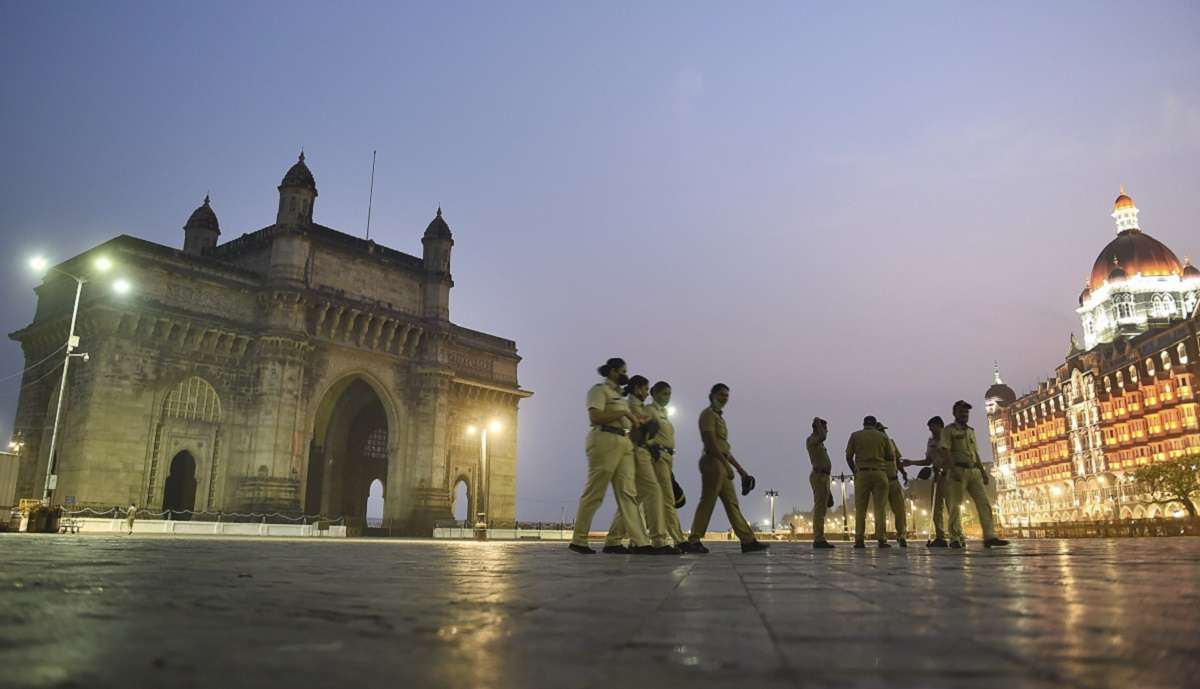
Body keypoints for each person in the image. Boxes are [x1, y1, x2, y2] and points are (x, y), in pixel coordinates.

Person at [568, 358, 656, 555]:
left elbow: (626, 421)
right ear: (613, 371)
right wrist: (622, 413)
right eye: (623, 371)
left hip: (623, 442)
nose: (626, 375)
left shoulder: (619, 397)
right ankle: (579, 540)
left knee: (628, 493)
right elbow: (595, 417)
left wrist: (639, 421)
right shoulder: (599, 390)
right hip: (603, 439)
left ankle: (640, 542)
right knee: (595, 492)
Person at [682, 384, 768, 554]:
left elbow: (725, 449)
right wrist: (724, 464)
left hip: (720, 462)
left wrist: (741, 471)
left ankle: (748, 540)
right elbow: (710, 442)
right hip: (712, 462)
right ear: (712, 395)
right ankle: (694, 540)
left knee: (732, 504)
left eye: (726, 395)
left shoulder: (719, 418)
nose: (724, 398)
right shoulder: (707, 415)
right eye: (721, 394)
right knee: (708, 501)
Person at [602, 376, 676, 554]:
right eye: (644, 389)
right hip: (637, 451)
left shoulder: (638, 406)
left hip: (642, 451)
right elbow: (636, 429)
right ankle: (658, 540)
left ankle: (614, 540)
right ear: (636, 389)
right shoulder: (631, 405)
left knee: (634, 498)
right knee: (653, 491)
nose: (646, 392)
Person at [940, 400, 1010, 549]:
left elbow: (975, 453)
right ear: (954, 413)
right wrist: (952, 470)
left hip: (974, 471)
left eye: (966, 412)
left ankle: (989, 536)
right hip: (958, 471)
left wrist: (983, 472)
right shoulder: (949, 430)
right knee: (955, 506)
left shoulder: (970, 431)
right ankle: (954, 537)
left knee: (984, 503)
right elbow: (946, 451)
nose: (964, 414)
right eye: (961, 412)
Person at [646, 381, 687, 547]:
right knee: (668, 499)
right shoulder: (650, 411)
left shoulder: (664, 413)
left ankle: (642, 537)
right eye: (664, 393)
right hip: (658, 457)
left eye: (669, 394)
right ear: (654, 394)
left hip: (668, 458)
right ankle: (678, 539)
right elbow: (643, 434)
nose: (667, 397)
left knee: (655, 499)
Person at [845, 416, 894, 548]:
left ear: (863, 424)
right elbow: (890, 456)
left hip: (862, 473)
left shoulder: (855, 436)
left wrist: (855, 470)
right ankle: (881, 539)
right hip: (879, 473)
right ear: (875, 424)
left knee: (860, 509)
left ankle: (859, 539)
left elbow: (848, 456)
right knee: (880, 509)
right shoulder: (883, 437)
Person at [901, 416, 950, 547]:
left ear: (940, 426)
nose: (931, 430)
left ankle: (957, 536)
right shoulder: (931, 441)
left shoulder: (949, 438)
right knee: (936, 507)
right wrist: (911, 462)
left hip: (950, 475)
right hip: (937, 476)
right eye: (929, 428)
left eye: (933, 427)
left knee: (952, 507)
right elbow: (927, 461)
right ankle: (940, 537)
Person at [875, 421, 909, 547]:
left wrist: (903, 472)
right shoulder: (874, 446)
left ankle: (902, 535)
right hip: (881, 479)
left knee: (900, 510)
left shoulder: (891, 442)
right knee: (881, 511)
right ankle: (881, 537)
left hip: (894, 479)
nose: (883, 432)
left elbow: (897, 460)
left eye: (883, 430)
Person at [806, 417, 835, 548]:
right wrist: (818, 423)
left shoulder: (819, 443)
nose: (827, 431)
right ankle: (818, 539)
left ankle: (820, 537)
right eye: (825, 428)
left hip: (824, 477)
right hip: (819, 476)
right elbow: (823, 436)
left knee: (822, 509)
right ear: (819, 429)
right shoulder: (812, 440)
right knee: (819, 509)